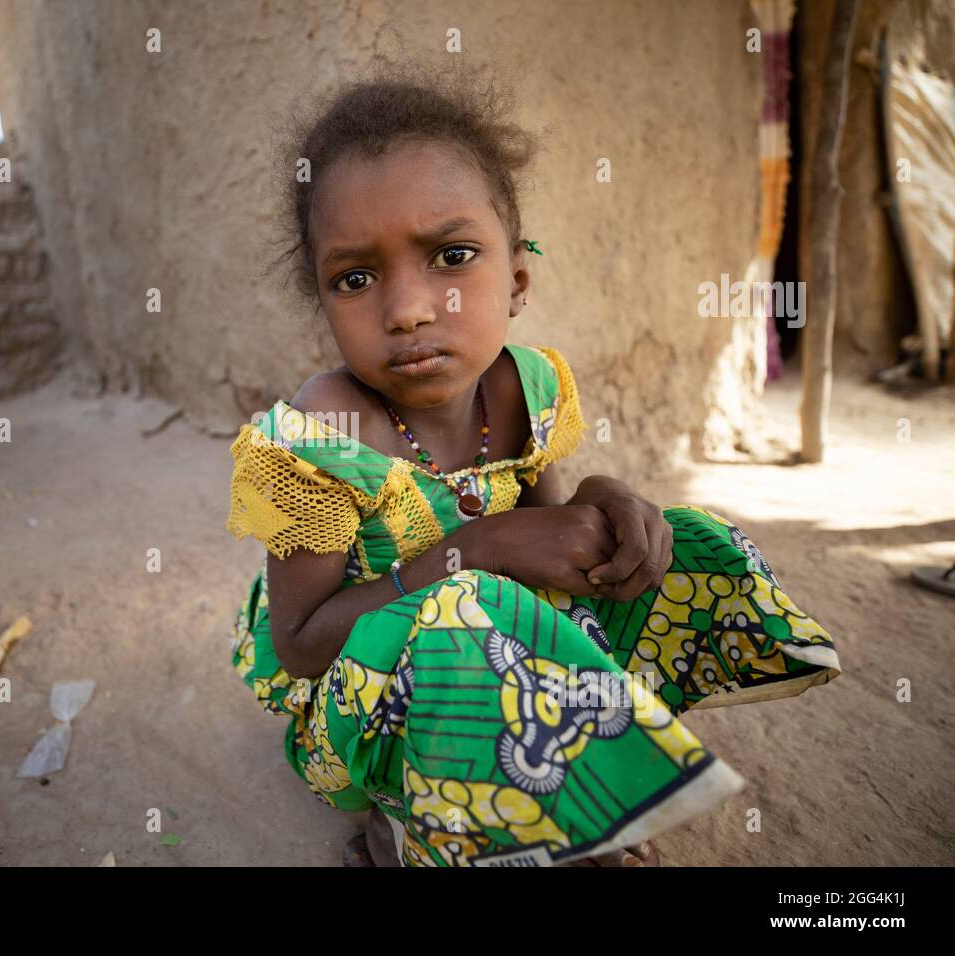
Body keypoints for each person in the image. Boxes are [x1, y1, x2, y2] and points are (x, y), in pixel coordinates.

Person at [225, 61, 841, 867]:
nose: (408, 308)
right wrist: (472, 551)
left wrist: (602, 499)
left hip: (491, 668)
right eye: (356, 277)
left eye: (450, 256)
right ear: (323, 301)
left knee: (679, 542)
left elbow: (546, 540)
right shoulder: (326, 434)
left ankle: (559, 785)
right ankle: (404, 824)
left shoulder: (529, 388)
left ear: (516, 279)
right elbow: (304, 644)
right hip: (365, 707)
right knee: (456, 620)